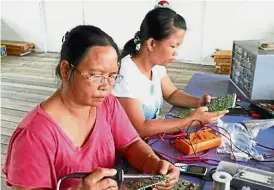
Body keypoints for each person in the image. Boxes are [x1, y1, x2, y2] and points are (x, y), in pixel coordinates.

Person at [2, 25, 179, 190]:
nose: (106, 86)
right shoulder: (33, 136)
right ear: (65, 70)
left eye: (112, 76)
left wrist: (154, 164)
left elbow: (131, 143)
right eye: (96, 76)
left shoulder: (107, 104)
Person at [113, 3, 228, 138]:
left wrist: (198, 102)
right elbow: (140, 128)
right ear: (151, 44)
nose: (176, 53)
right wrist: (191, 120)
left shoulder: (156, 66)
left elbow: (172, 93)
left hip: (149, 139)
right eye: (173, 46)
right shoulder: (126, 74)